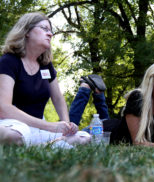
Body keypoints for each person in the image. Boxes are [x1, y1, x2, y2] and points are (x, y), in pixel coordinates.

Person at [0, 12, 90, 147]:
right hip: (11, 124)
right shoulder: (9, 61)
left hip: (38, 128)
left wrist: (67, 126)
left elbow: (58, 98)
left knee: (85, 138)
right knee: (14, 136)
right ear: (27, 32)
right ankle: (51, 145)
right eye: (44, 29)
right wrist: (50, 126)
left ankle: (46, 145)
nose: (50, 34)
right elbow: (4, 108)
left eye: (51, 31)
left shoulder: (46, 66)